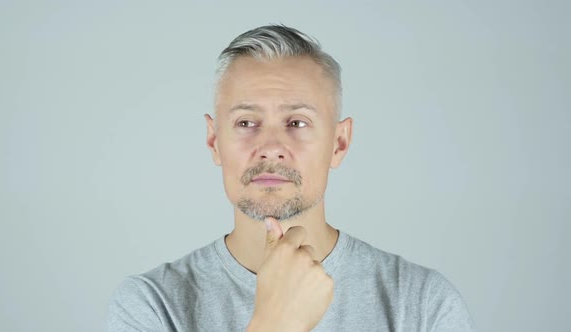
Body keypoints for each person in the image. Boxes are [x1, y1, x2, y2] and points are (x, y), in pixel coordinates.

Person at [107, 24, 476, 332]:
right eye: (246, 123)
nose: (270, 147)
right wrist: (274, 322)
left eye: (297, 123)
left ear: (339, 143)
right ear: (214, 141)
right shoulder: (151, 306)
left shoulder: (424, 304)